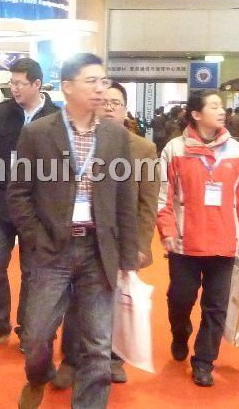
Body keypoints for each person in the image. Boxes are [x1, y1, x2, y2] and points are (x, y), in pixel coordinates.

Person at [9, 53, 138, 409]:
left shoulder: (115, 136)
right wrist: (36, 238)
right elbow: (18, 193)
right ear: (67, 87)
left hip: (98, 249)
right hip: (52, 250)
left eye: (103, 82)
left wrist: (128, 256)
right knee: (36, 336)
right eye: (91, 81)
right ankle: (38, 377)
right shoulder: (38, 133)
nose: (100, 89)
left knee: (97, 345)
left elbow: (125, 197)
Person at [54, 81, 160, 389]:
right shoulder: (80, 143)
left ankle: (114, 358)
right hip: (85, 237)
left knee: (116, 301)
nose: (110, 107)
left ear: (126, 110)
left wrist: (140, 245)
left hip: (121, 241)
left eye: (117, 103)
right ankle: (71, 359)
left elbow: (147, 204)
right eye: (105, 102)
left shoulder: (143, 149)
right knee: (77, 302)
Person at [157, 89, 239, 387]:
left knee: (216, 307)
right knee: (180, 298)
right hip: (185, 244)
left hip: (224, 243)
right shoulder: (175, 149)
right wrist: (167, 230)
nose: (222, 111)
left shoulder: (235, 151)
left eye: (221, 106)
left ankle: (204, 361)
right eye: (214, 106)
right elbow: (163, 195)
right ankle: (180, 332)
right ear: (196, 114)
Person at [0, 58, 59, 350]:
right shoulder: (0, 113)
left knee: (31, 271)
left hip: (36, 209)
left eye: (19, 83)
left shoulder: (55, 118)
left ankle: (27, 328)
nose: (14, 88)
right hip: (1, 203)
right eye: (11, 83)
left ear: (37, 84)